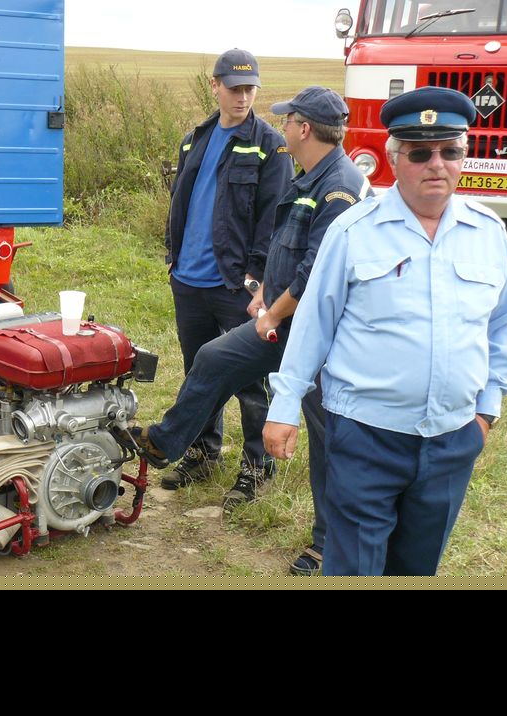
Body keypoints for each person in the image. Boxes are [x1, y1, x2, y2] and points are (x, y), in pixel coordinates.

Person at [264, 86, 507, 576]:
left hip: (451, 440)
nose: (437, 165)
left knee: (417, 570)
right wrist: (284, 405)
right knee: (355, 569)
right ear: (395, 158)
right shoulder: (353, 231)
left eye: (450, 152)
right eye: (420, 153)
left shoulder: (488, 234)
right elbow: (314, 323)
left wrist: (487, 409)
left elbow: (501, 325)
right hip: (365, 437)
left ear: (463, 156)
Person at [125, 87, 368, 574]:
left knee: (327, 433)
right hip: (283, 318)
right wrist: (265, 294)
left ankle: (328, 545)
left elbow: (315, 275)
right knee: (215, 358)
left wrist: (272, 313)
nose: (282, 127)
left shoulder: (340, 187)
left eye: (288, 120)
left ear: (304, 128)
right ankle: (167, 442)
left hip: (322, 335)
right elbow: (286, 249)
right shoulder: (308, 176)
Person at [161, 48, 293, 508]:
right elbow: (181, 202)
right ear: (214, 85)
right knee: (199, 372)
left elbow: (275, 219)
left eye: (250, 88)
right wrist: (174, 258)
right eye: (234, 88)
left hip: (237, 286)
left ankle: (257, 469)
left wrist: (257, 276)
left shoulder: (270, 145)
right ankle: (202, 453)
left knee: (249, 381)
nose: (243, 97)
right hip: (189, 280)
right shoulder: (194, 139)